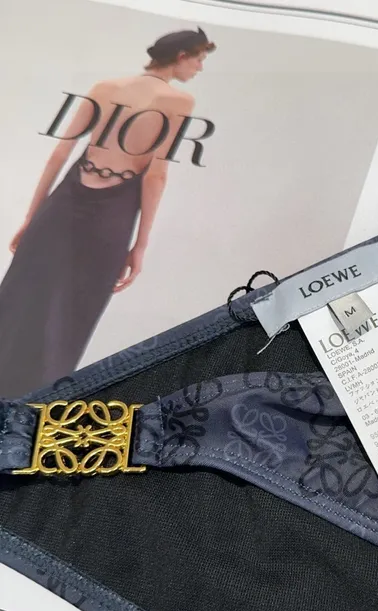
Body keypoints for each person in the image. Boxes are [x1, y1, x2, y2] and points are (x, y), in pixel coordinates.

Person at [0, 28, 216, 398]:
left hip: (63, 203)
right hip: (113, 215)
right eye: (198, 59)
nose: (199, 68)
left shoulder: (104, 87)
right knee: (75, 312)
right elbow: (156, 176)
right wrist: (140, 245)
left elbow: (59, 154)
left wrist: (32, 217)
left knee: (21, 297)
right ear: (181, 55)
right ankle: (33, 403)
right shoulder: (178, 101)